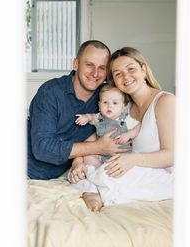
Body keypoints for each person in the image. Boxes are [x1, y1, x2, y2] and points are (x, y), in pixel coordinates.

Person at [69, 47, 175, 212]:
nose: (126, 77)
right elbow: (98, 136)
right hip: (132, 167)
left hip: (164, 175)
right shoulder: (123, 107)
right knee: (80, 172)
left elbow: (173, 155)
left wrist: (133, 160)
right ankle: (93, 188)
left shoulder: (165, 102)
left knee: (105, 173)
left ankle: (93, 190)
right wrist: (77, 162)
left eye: (131, 69)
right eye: (118, 74)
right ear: (114, 82)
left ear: (143, 69)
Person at [27, 40, 131, 180]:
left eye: (102, 67)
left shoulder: (107, 98)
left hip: (66, 170)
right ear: (75, 64)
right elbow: (43, 149)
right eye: (89, 65)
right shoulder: (51, 92)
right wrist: (97, 147)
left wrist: (78, 162)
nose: (95, 73)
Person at [73, 84, 141, 169]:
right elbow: (91, 116)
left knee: (121, 166)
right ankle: (99, 170)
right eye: (105, 102)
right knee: (87, 157)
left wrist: (128, 135)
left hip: (120, 156)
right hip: (101, 156)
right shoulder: (99, 118)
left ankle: (106, 171)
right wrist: (86, 117)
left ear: (122, 107)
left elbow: (138, 126)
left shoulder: (125, 120)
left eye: (115, 103)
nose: (110, 106)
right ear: (99, 105)